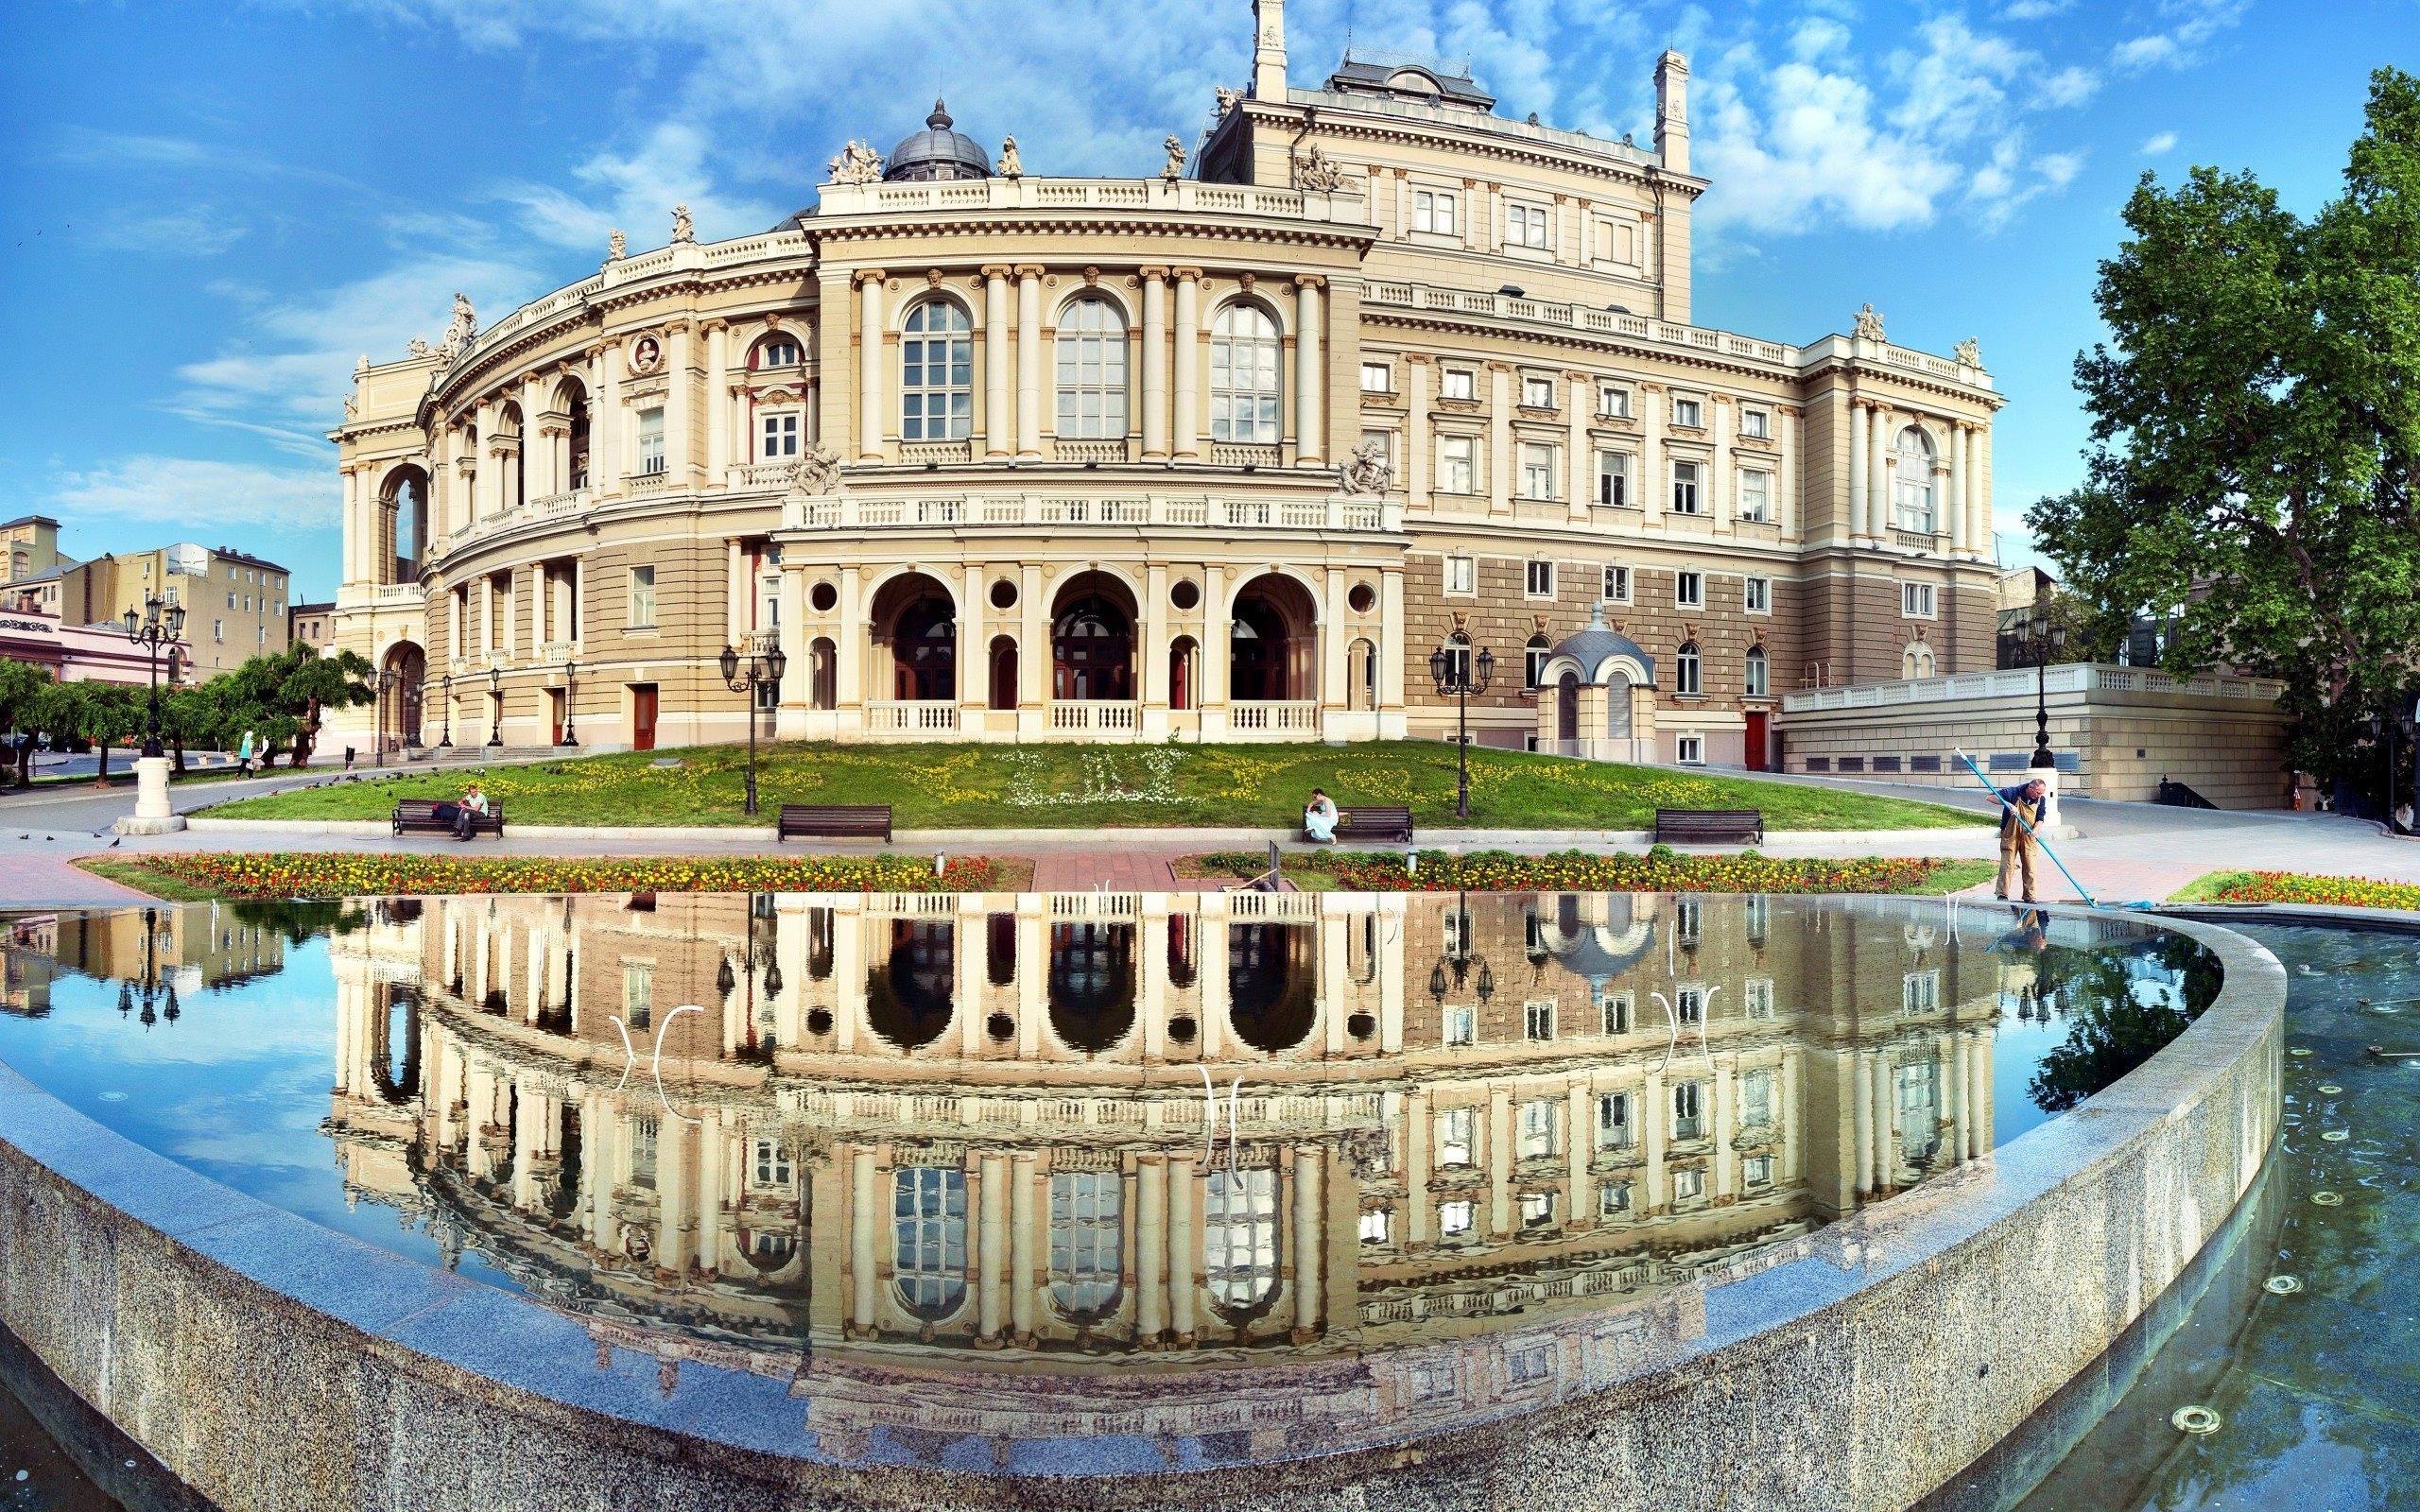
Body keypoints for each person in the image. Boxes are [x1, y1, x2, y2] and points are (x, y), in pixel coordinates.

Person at [1995, 777, 2048, 902]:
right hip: (2011, 834)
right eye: (2038, 792)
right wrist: (2007, 804)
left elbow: (2040, 818)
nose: (2040, 796)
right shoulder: (2013, 792)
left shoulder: (2041, 800)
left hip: (2029, 835)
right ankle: (2002, 894)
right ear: (2030, 787)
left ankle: (2030, 896)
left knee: (2031, 866)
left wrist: (2036, 829)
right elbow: (1990, 797)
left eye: (2042, 793)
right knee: (2007, 865)